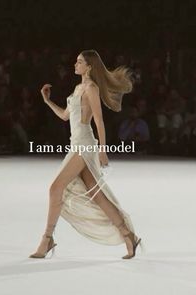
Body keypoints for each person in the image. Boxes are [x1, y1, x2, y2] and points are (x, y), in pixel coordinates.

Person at [29, 50, 142, 260]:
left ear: (89, 66)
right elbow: (65, 116)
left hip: (85, 146)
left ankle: (47, 239)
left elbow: (99, 121)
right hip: (76, 145)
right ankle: (129, 236)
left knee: (56, 188)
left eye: (79, 62)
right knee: (96, 195)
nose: (75, 64)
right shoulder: (78, 88)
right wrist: (47, 102)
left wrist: (102, 150)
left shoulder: (91, 88)